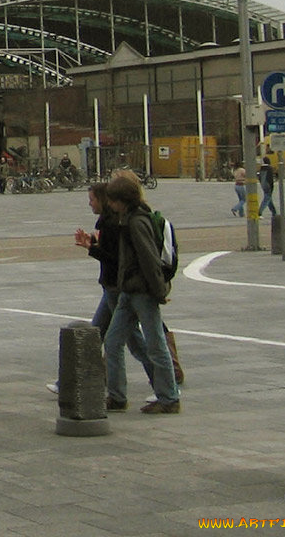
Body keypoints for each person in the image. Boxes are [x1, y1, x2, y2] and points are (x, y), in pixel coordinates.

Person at [102, 170, 180, 414]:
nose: (110, 205)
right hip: (128, 290)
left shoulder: (137, 222)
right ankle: (116, 396)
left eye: (112, 200)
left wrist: (158, 291)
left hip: (143, 292)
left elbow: (149, 259)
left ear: (122, 200)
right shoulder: (128, 218)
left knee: (156, 343)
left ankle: (169, 398)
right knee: (113, 341)